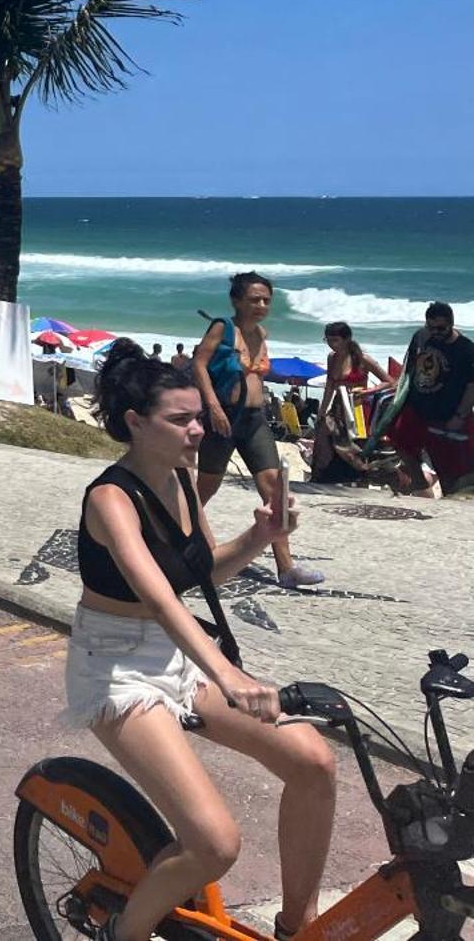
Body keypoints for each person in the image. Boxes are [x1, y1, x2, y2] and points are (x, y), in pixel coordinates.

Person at [63, 340, 334, 941]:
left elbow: (200, 572)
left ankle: (298, 926)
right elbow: (159, 596)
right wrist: (229, 675)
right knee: (214, 843)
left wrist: (261, 536)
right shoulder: (109, 498)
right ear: (135, 423)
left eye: (197, 418)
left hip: (176, 655)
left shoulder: (183, 480)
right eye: (180, 420)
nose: (198, 430)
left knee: (314, 760)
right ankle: (125, 933)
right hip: (116, 668)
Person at [191, 272, 323, 588]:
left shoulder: (261, 333)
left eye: (266, 300)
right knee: (204, 489)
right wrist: (214, 407)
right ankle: (165, 536)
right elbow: (198, 363)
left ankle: (286, 567)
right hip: (223, 418)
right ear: (237, 300)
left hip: (254, 421)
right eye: (253, 299)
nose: (261, 305)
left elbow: (257, 377)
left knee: (275, 488)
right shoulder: (222, 327)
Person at [384, 302, 474, 495]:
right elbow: (409, 370)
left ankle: (450, 498)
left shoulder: (466, 349)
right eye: (430, 327)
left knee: (450, 468)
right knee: (398, 439)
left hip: (447, 413)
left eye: (440, 328)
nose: (435, 332)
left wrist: (459, 416)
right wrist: (398, 400)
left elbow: (471, 386)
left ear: (451, 323)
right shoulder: (421, 337)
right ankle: (420, 483)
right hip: (418, 407)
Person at [309, 322, 390, 483]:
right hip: (339, 406)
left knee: (353, 446)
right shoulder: (332, 358)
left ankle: (361, 475)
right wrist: (322, 412)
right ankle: (321, 477)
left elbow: (389, 381)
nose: (332, 345)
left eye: (335, 340)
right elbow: (330, 386)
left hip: (358, 408)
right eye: (328, 340)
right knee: (324, 437)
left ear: (347, 339)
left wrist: (367, 391)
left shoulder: (361, 359)